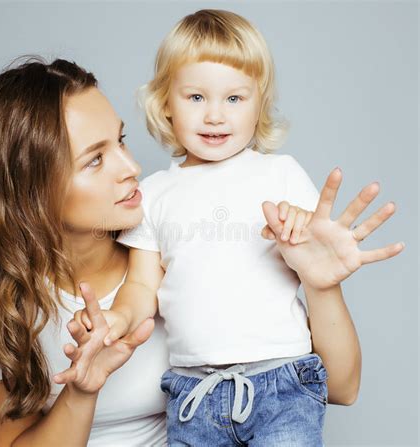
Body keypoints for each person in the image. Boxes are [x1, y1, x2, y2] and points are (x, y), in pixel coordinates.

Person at [78, 9, 405, 446]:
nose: (215, 116)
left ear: (259, 104)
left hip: (282, 385)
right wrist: (119, 317)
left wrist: (302, 228)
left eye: (234, 99)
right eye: (196, 97)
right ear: (166, 104)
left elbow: (315, 238)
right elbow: (141, 285)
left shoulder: (282, 175)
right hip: (193, 393)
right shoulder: (154, 194)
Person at [0, 58, 170, 446]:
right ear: (31, 190)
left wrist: (316, 284)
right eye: (95, 159)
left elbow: (291, 378)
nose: (132, 166)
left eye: (120, 140)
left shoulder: (170, 234)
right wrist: (81, 392)